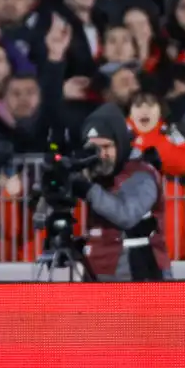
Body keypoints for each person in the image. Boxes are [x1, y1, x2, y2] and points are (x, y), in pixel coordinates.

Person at [68, 104, 171, 281]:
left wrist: (88, 190)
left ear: (121, 143)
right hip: (97, 271)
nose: (101, 155)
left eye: (107, 147)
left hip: (139, 274)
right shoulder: (93, 173)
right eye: (94, 148)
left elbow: (126, 215)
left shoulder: (141, 174)